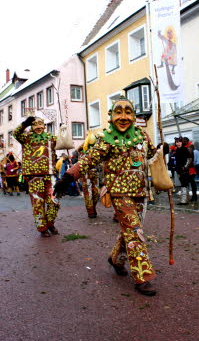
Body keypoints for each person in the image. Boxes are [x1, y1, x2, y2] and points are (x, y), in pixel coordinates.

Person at [54, 95, 157, 296]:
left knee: (131, 230)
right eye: (119, 112)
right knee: (135, 231)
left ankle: (116, 258)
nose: (124, 117)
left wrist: (162, 150)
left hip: (141, 192)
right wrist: (68, 176)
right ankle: (142, 276)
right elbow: (88, 160)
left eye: (128, 112)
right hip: (119, 192)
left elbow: (151, 153)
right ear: (110, 116)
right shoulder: (106, 138)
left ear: (134, 116)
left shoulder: (142, 136)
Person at [13, 116, 60, 237]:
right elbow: (16, 133)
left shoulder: (50, 137)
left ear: (44, 126)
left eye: (41, 124)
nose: (39, 127)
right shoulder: (26, 138)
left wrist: (64, 129)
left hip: (49, 174)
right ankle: (42, 228)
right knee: (38, 203)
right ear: (32, 127)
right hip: (34, 176)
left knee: (54, 201)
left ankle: (50, 223)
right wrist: (25, 124)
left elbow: (64, 142)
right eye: (35, 125)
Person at [175, 137, 192, 205]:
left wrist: (185, 167)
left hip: (184, 170)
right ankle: (184, 199)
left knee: (184, 184)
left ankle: (184, 200)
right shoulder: (177, 150)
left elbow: (189, 159)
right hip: (179, 169)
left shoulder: (184, 149)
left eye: (179, 142)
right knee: (183, 184)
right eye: (177, 142)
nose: (178, 143)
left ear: (182, 142)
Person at [183, 137, 197, 202]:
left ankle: (193, 196)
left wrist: (185, 167)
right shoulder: (188, 148)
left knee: (191, 183)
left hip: (189, 168)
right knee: (190, 183)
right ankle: (191, 196)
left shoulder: (189, 148)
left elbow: (189, 159)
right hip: (189, 167)